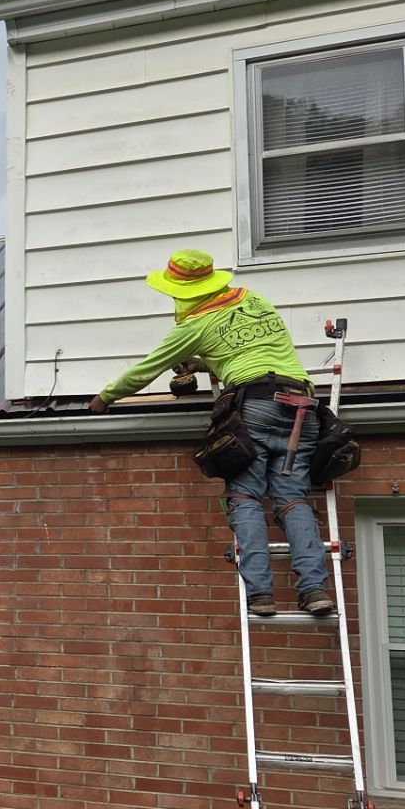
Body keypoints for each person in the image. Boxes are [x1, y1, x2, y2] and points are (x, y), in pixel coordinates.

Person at [87, 248, 334, 619]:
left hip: (255, 407)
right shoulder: (254, 299)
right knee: (292, 499)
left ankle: (261, 595)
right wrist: (206, 361)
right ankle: (314, 590)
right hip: (301, 406)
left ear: (183, 291)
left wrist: (104, 399)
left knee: (246, 497)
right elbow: (247, 347)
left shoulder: (193, 326)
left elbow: (146, 369)